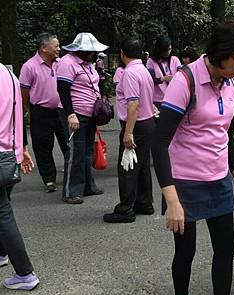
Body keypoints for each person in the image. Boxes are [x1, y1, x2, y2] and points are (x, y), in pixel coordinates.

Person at [152, 18, 234, 295]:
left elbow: (224, 135)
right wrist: (172, 200)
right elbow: (158, 142)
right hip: (184, 183)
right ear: (221, 52)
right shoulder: (185, 81)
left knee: (225, 248)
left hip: (218, 179)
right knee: (187, 250)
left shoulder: (232, 84)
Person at [103, 38, 156, 223]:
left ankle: (125, 209)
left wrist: (128, 132)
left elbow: (133, 104)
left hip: (136, 124)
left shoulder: (129, 73)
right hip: (148, 122)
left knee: (127, 166)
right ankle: (144, 203)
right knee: (141, 166)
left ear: (122, 54)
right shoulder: (144, 70)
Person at [0, 62, 39, 290]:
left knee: (3, 213)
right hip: (9, 155)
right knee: (3, 209)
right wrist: (22, 149)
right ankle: (3, 253)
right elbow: (19, 114)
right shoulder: (9, 74)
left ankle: (25, 273)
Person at [56, 32, 108, 204]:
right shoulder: (67, 63)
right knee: (75, 152)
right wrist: (71, 114)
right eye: (88, 50)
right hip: (75, 114)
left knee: (87, 152)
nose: (91, 53)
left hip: (89, 114)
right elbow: (63, 90)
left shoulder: (88, 64)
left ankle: (87, 186)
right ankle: (71, 191)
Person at [19, 32, 68, 193]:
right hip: (40, 111)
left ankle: (71, 174)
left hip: (61, 111)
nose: (59, 49)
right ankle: (49, 179)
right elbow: (23, 91)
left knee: (68, 143)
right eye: (56, 46)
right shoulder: (29, 66)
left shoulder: (60, 64)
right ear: (43, 48)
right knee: (43, 147)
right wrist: (29, 109)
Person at [146, 35, 181, 108]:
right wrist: (163, 79)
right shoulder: (151, 61)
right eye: (165, 50)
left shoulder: (175, 59)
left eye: (170, 49)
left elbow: (181, 75)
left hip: (174, 98)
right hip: (158, 100)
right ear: (159, 49)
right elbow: (150, 81)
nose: (168, 52)